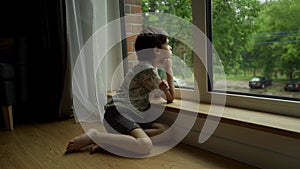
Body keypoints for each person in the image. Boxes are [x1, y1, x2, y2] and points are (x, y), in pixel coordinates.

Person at [66, 27, 175, 155]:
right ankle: (95, 136)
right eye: (167, 43)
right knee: (144, 145)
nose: (170, 47)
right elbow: (170, 97)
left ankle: (115, 141)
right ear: (157, 50)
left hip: (131, 116)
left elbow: (162, 94)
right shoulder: (147, 70)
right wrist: (169, 69)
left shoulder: (147, 68)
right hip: (118, 113)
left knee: (167, 131)